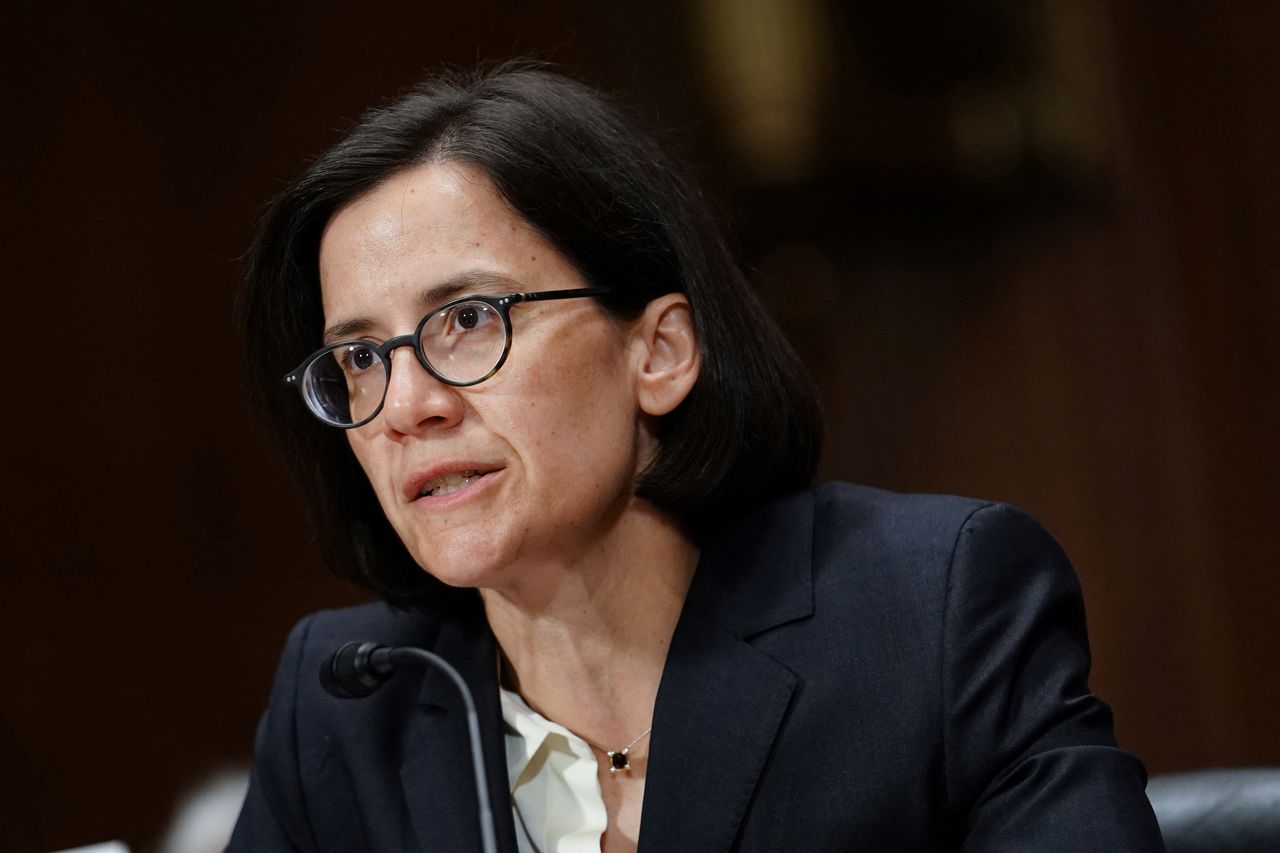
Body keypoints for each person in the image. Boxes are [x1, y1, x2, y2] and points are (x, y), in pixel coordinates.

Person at [228, 64, 1166, 852]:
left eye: (468, 319)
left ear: (660, 352)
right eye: (360, 359)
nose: (406, 405)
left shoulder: (929, 611)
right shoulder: (352, 702)